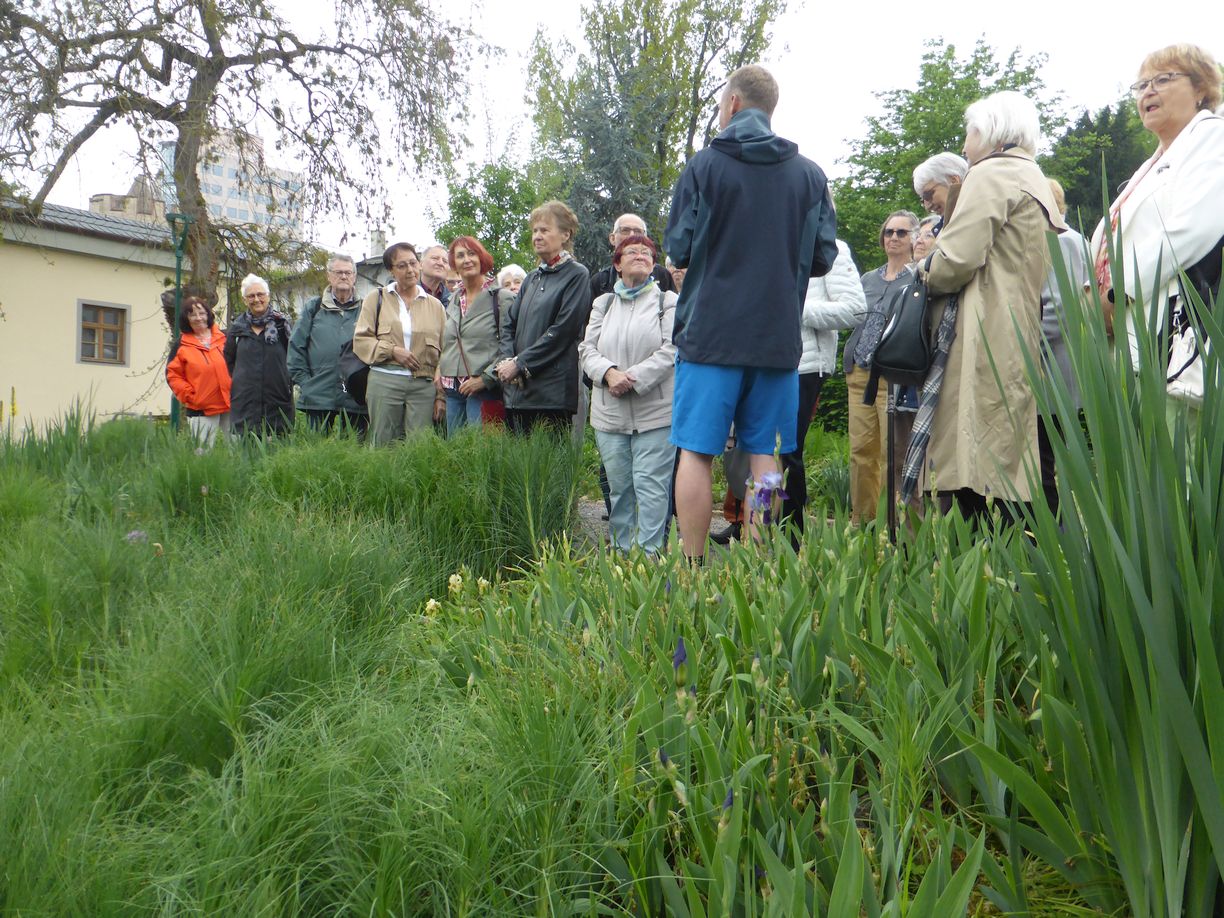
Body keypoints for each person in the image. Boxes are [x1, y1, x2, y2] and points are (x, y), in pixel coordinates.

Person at [664, 64, 837, 558]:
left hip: (710, 336)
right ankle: (757, 567)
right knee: (767, 456)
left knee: (697, 453)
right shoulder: (810, 176)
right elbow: (823, 257)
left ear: (733, 104)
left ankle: (692, 566)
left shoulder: (703, 167)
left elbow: (678, 247)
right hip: (777, 341)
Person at [915, 90, 1066, 526]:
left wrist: (924, 269)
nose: (964, 145)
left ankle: (978, 573)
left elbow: (954, 261)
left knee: (972, 457)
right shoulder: (1032, 176)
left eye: (970, 131)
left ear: (993, 130)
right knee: (1013, 451)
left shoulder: (991, 173)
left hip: (980, 328)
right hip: (1018, 326)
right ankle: (1031, 569)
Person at [1090, 44, 1224, 437]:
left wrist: (1119, 293)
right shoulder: (1152, 164)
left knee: (1174, 480)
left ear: (1201, 88)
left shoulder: (1212, 139)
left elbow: (1194, 229)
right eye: (1142, 84)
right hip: (1132, 341)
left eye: (1163, 79)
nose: (1148, 91)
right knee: (1136, 478)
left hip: (1174, 341)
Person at [579, 234, 678, 553]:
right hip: (609, 416)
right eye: (631, 251)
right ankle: (623, 558)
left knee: (652, 490)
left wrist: (631, 378)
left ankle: (650, 563)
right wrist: (609, 373)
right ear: (617, 264)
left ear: (653, 264)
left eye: (647, 252)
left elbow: (672, 349)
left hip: (656, 415)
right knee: (619, 491)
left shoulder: (668, 302)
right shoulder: (602, 304)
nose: (640, 255)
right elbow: (586, 349)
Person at [783, 238, 866, 532]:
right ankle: (756, 533)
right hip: (761, 357)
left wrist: (789, 307)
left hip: (804, 364)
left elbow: (855, 310)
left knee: (786, 452)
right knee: (759, 449)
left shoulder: (833, 247)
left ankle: (790, 541)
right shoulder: (770, 239)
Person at [843, 211, 919, 524]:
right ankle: (862, 524)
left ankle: (893, 527)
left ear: (914, 238)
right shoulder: (868, 279)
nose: (894, 238)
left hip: (892, 377)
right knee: (861, 452)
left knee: (892, 455)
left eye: (901, 233)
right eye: (889, 232)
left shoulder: (917, 277)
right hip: (859, 371)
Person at [495, 201, 590, 436]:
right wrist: (508, 360)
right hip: (517, 393)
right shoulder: (531, 278)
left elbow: (563, 331)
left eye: (545, 230)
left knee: (549, 470)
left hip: (551, 395)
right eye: (535, 231)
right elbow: (509, 323)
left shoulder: (577, 274)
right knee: (517, 470)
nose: (537, 236)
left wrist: (520, 364)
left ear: (565, 234)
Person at [353, 242, 446, 446]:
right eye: (402, 265)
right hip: (385, 381)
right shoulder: (375, 299)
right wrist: (393, 351)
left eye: (413, 263)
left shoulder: (436, 306)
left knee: (420, 447)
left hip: (423, 386)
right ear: (391, 270)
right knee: (382, 446)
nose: (410, 270)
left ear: (420, 264)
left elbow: (445, 353)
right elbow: (361, 341)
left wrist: (440, 396)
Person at [437, 236, 515, 434]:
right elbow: (450, 341)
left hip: (485, 390)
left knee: (483, 455)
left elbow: (511, 345)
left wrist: (486, 379)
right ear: (454, 263)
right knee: (455, 455)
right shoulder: (454, 298)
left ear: (482, 258)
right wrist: (440, 368)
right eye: (460, 255)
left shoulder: (501, 297)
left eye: (472, 253)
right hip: (453, 390)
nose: (467, 260)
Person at [287, 254, 367, 436]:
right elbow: (296, 348)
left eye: (348, 272)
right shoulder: (314, 308)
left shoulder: (366, 308)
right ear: (329, 276)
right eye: (338, 272)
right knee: (317, 453)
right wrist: (307, 383)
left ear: (354, 276)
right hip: (319, 393)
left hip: (357, 396)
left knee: (355, 451)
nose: (344, 277)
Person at [224, 274, 295, 437]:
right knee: (247, 455)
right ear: (244, 300)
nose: (256, 299)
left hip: (278, 402)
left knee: (277, 456)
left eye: (260, 294)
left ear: (268, 296)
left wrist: (285, 381)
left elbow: (293, 358)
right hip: (246, 404)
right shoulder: (236, 329)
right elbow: (229, 361)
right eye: (251, 296)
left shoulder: (282, 326)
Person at [165, 294, 231, 445]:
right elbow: (172, 375)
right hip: (201, 409)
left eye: (202, 313)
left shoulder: (225, 338)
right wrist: (191, 396)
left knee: (238, 450)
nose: (198, 318)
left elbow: (239, 364)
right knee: (202, 453)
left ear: (208, 315)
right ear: (186, 318)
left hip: (231, 404)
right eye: (192, 314)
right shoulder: (181, 345)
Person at [588, 213, 676, 304]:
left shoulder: (662, 275)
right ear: (612, 238)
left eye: (638, 231)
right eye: (625, 230)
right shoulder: (600, 282)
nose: (631, 235)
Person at [912, 152, 969, 228]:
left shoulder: (979, 215)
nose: (927, 207)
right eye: (923, 200)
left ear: (953, 181)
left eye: (927, 195)